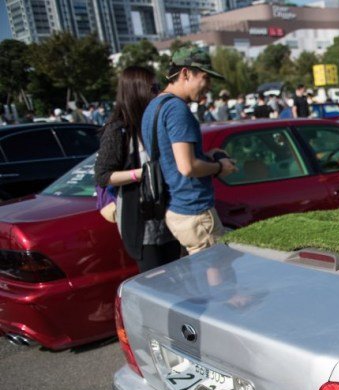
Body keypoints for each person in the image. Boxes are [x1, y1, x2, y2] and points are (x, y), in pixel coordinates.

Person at [141, 46, 237, 255]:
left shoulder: (154, 106)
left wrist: (206, 156)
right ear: (185, 73)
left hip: (175, 208)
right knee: (220, 281)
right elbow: (187, 167)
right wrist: (219, 166)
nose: (209, 86)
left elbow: (170, 158)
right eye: (205, 78)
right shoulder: (177, 109)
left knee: (203, 279)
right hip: (195, 211)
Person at [94, 66, 181, 272]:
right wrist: (141, 173)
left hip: (169, 213)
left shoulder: (155, 121)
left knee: (180, 278)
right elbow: (103, 176)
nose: (157, 92)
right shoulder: (118, 129)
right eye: (153, 87)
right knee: (156, 282)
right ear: (137, 90)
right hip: (141, 221)